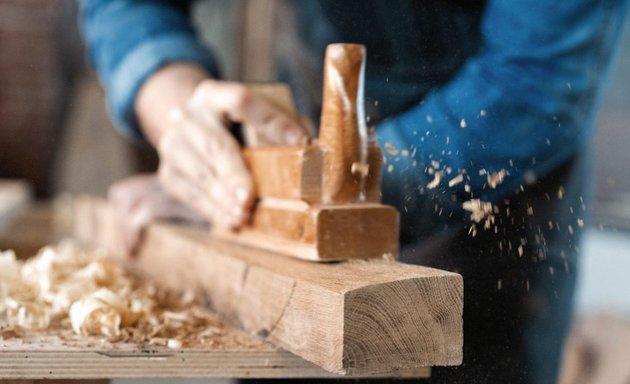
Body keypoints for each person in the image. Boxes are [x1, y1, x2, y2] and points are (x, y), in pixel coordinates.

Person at [80, 1, 629, 382]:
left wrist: (321, 189)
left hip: (494, 200)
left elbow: (536, 83)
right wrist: (184, 122)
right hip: (305, 157)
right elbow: (124, 6)